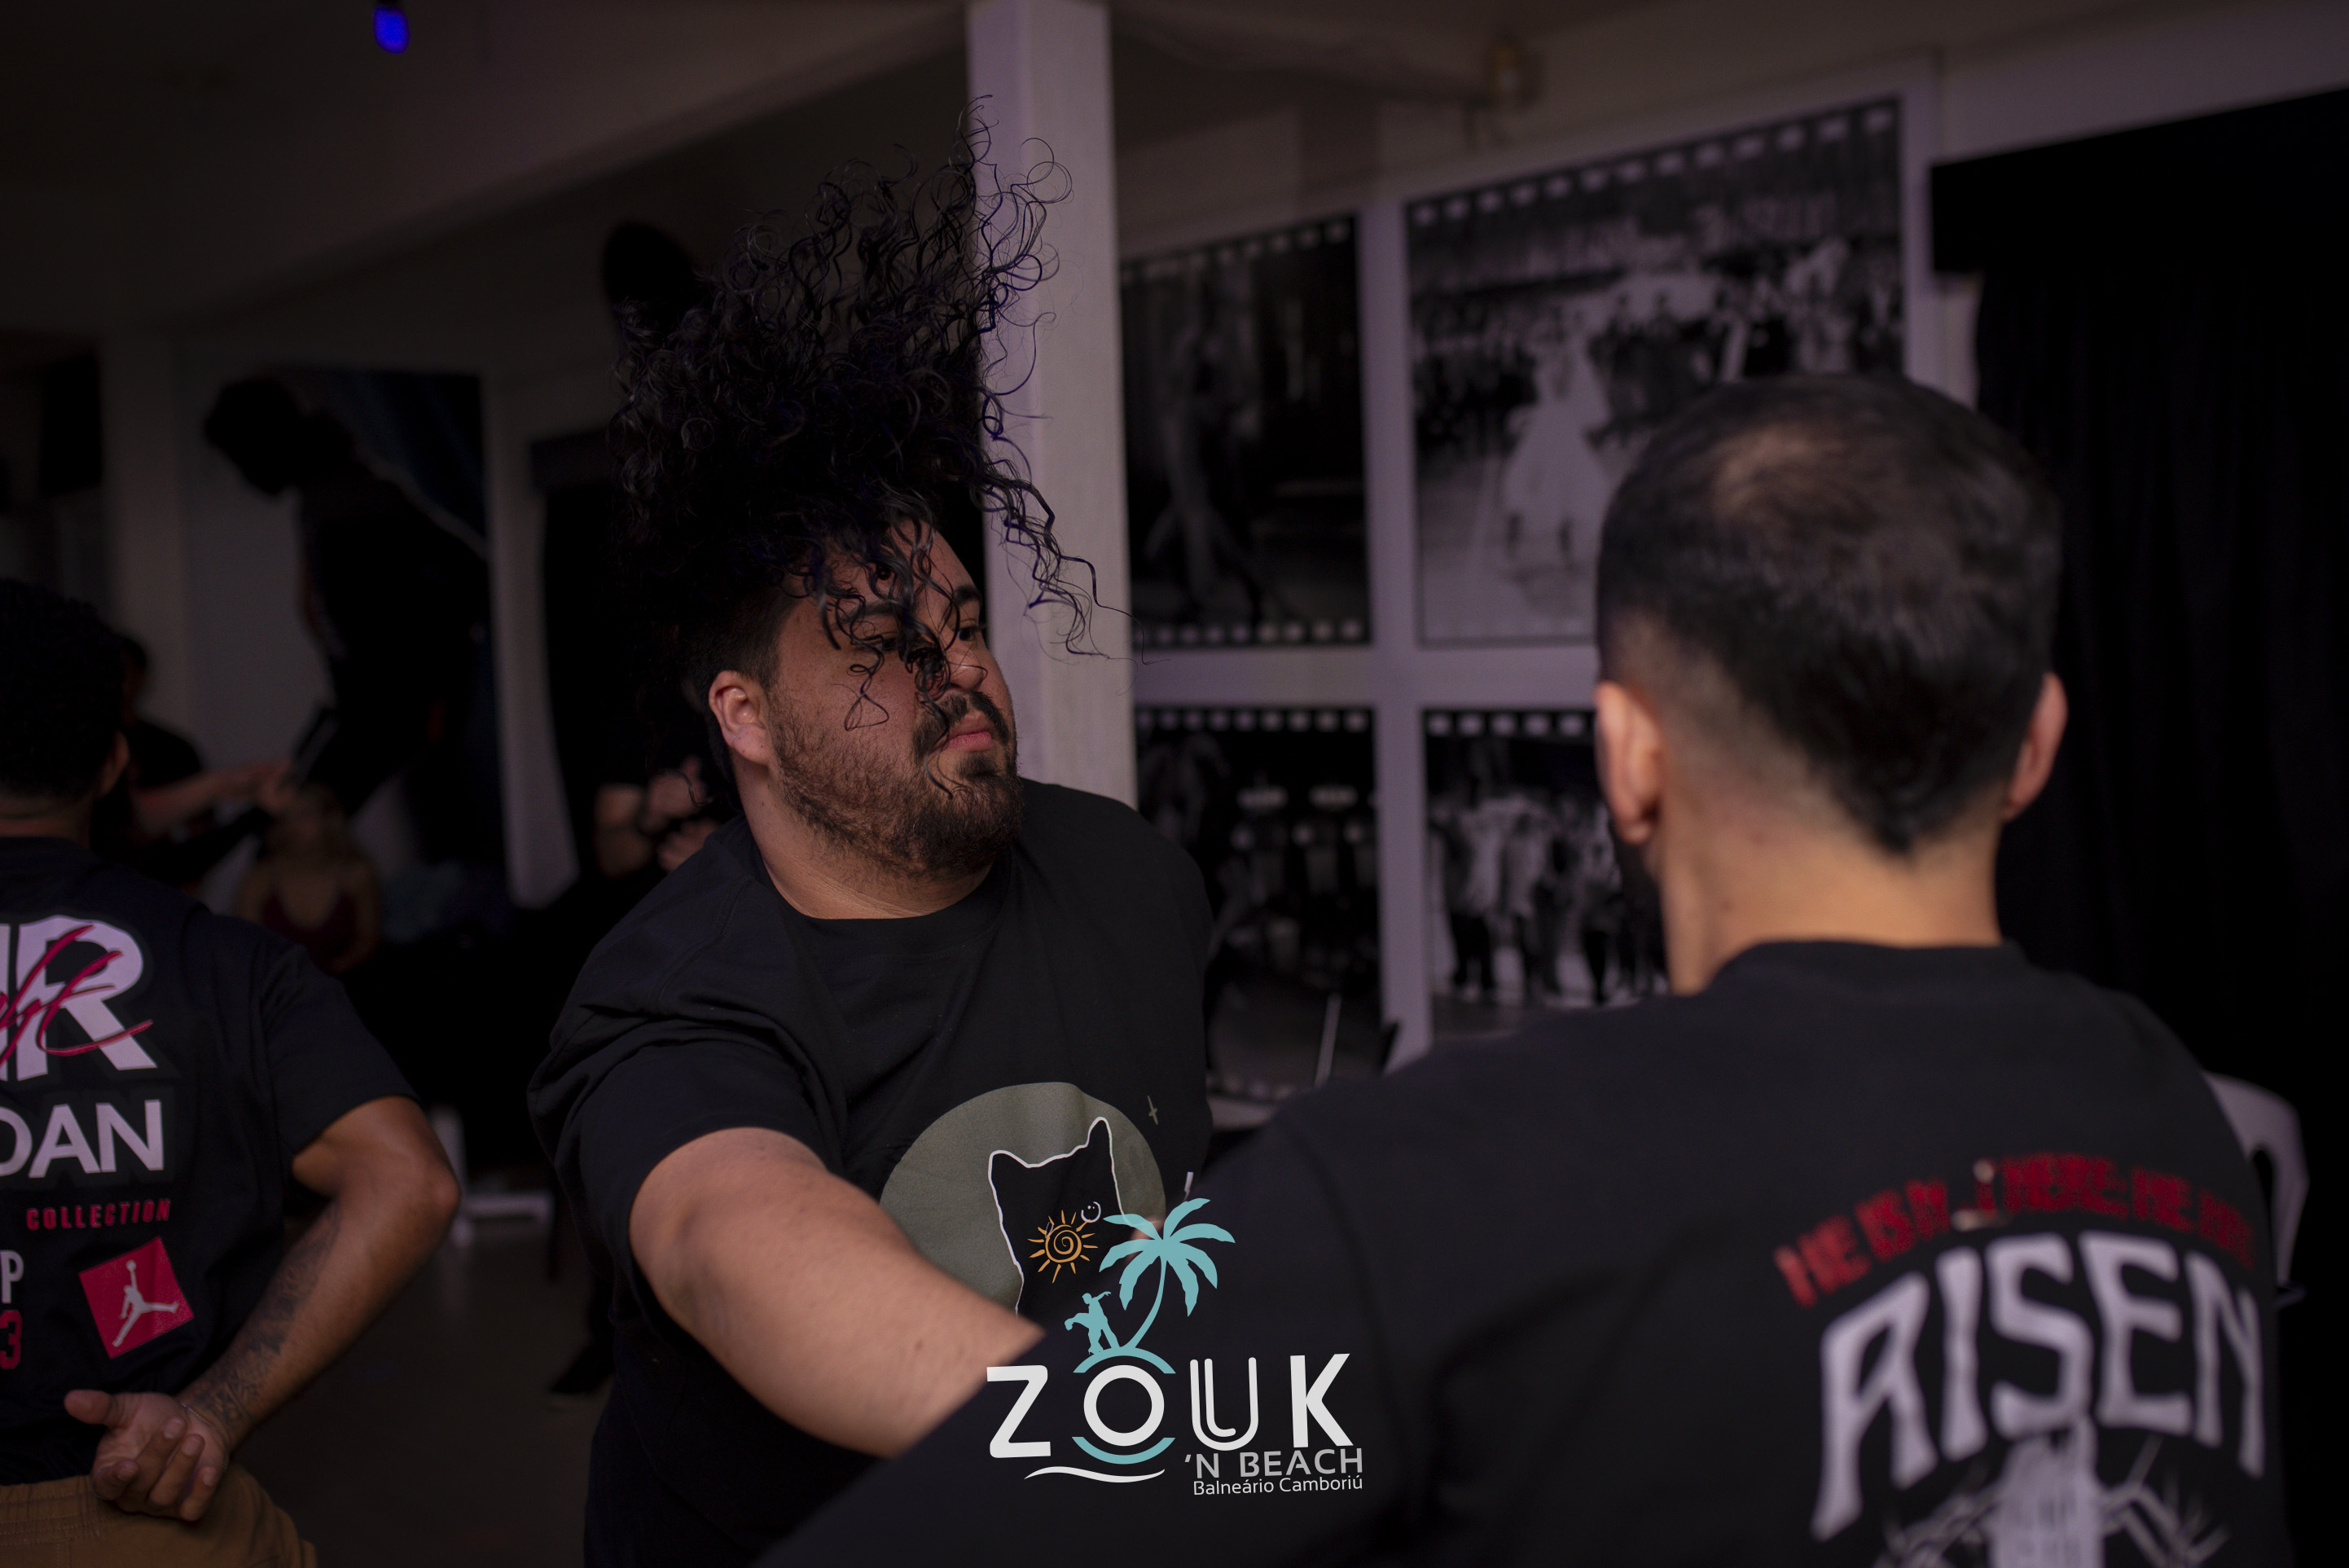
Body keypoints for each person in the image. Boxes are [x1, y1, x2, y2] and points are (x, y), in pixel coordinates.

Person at [765, 376, 2290, 1566]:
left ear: (1626, 759)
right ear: (2034, 743)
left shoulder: (1434, 1193)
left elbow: (1020, 1502)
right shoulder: (2179, 1121)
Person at [525, 145, 1213, 1567]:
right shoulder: (669, 994)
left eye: (961, 625)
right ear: (746, 718)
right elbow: (738, 1245)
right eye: (884, 649)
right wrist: (1165, 1448)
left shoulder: (1128, 875)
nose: (957, 672)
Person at [0, 580, 459, 1564]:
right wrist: (213, 1410)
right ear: (116, 761)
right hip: (139, 1511)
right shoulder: (228, 962)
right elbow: (408, 1181)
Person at [234, 784, 381, 976]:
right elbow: (246, 946)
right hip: (278, 986)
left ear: (328, 819)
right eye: (284, 817)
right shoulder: (260, 879)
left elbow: (367, 939)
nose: (293, 826)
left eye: (305, 815)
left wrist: (337, 971)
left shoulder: (355, 874)